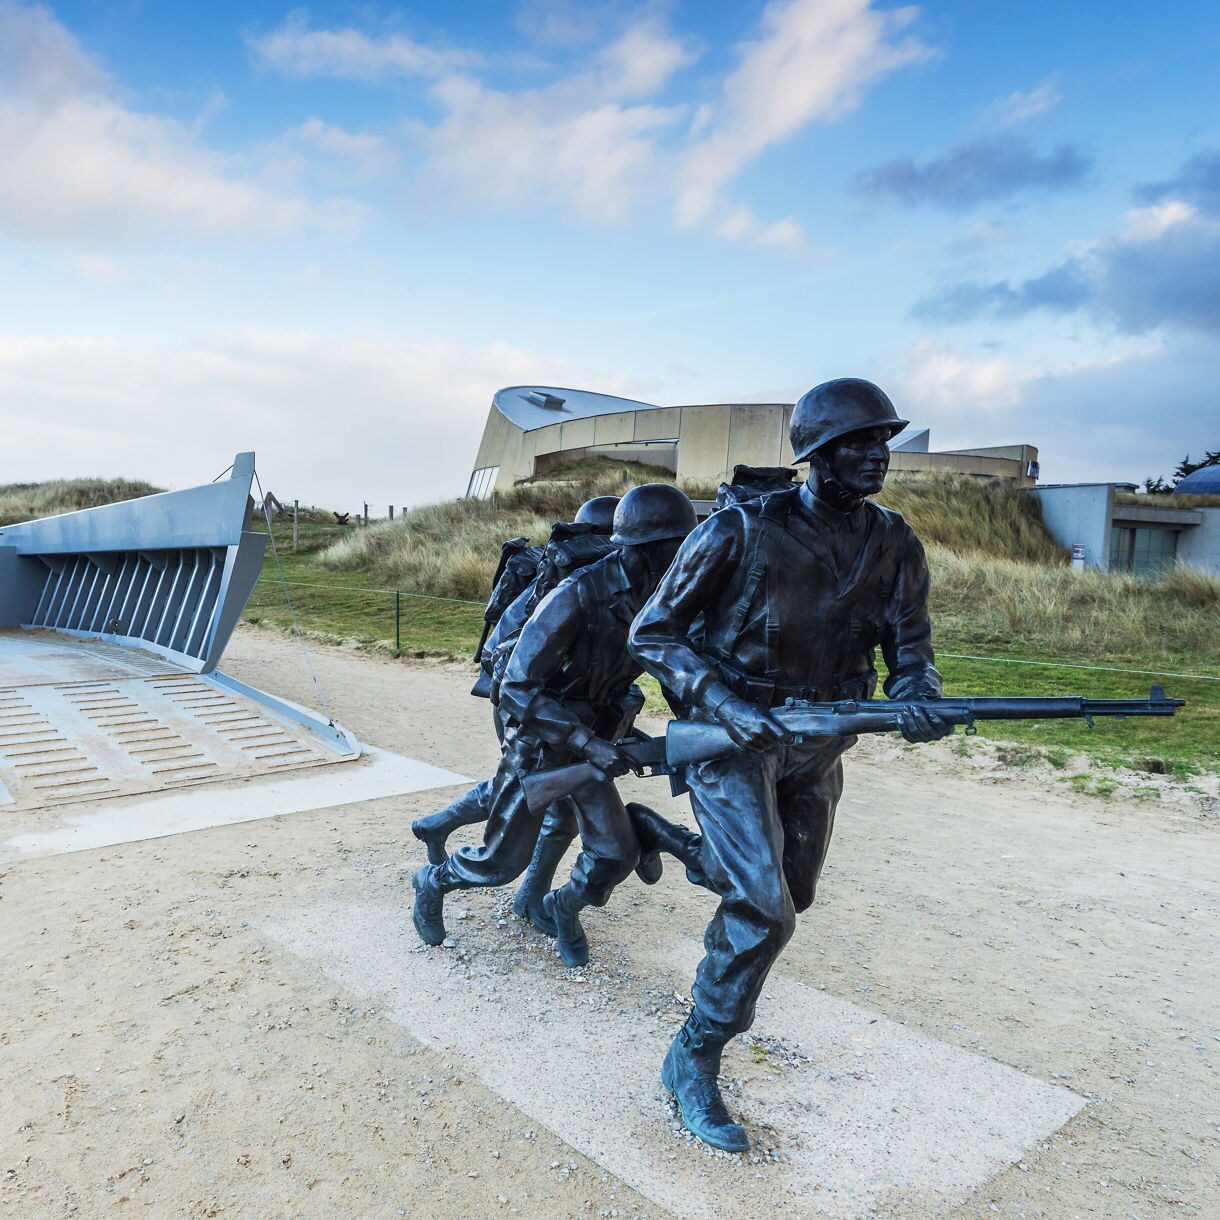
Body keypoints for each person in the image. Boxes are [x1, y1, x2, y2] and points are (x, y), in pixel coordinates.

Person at [628, 378, 953, 1152]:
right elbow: (653, 632)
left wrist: (918, 699)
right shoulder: (739, 529)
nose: (878, 456)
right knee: (765, 911)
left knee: (791, 892)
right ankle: (695, 1054)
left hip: (820, 744)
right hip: (732, 740)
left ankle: (682, 845)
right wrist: (722, 702)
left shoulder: (895, 542)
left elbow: (912, 652)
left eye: (883, 442)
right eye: (858, 443)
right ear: (816, 454)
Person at [411, 483, 698, 966]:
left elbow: (673, 669)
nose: (686, 558)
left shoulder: (658, 599)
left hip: (594, 745)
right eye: (676, 548)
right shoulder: (576, 596)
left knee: (614, 852)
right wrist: (585, 741)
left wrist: (692, 729)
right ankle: (431, 881)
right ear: (644, 548)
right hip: (542, 745)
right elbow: (517, 688)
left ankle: (562, 908)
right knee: (500, 863)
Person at [409, 495, 621, 895]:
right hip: (526, 706)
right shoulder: (562, 578)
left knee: (532, 793)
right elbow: (504, 651)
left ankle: (438, 828)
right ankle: (527, 896)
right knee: (537, 797)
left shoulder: (608, 583)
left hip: (566, 708)